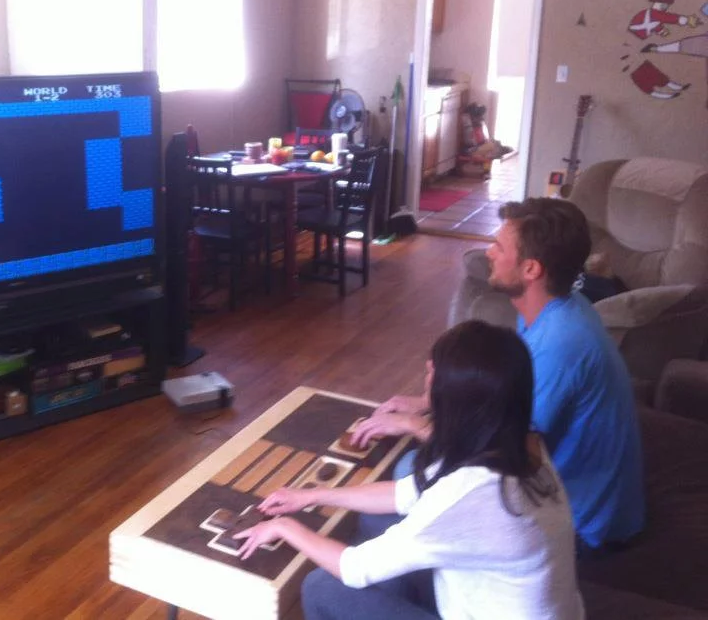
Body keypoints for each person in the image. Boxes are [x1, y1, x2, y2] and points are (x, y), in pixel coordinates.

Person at [234, 321, 584, 620]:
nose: (426, 379)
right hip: (501, 602)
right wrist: (313, 495)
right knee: (380, 522)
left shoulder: (475, 491)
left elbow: (355, 569)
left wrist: (285, 526)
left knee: (324, 589)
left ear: (454, 402)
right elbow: (405, 493)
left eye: (433, 376)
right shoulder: (520, 442)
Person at [351, 197, 645, 553]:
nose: (489, 252)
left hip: (582, 524)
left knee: (408, 474)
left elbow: (506, 457)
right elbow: (510, 397)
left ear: (531, 269)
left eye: (499, 246)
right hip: (571, 489)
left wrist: (417, 425)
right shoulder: (557, 306)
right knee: (412, 467)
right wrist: (428, 402)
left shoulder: (560, 345)